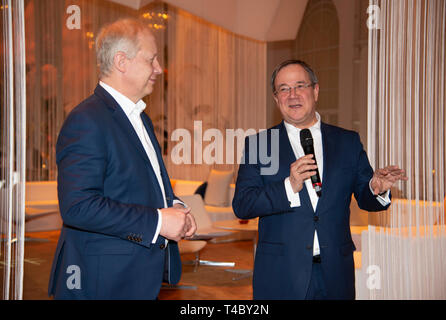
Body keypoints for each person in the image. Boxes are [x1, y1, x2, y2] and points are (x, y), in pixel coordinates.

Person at [232, 60, 407, 300]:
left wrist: (376, 188)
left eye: (300, 85)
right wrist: (288, 186)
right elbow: (243, 204)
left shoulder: (347, 142)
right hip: (281, 276)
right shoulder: (261, 144)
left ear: (315, 91)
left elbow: (366, 198)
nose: (292, 94)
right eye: (283, 88)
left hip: (335, 273)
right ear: (276, 99)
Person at [48, 18, 196, 300]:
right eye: (151, 59)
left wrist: (175, 208)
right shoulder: (87, 119)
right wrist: (158, 222)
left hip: (134, 277)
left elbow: (140, 187)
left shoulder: (141, 119)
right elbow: (77, 206)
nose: (158, 69)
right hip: (101, 282)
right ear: (121, 61)